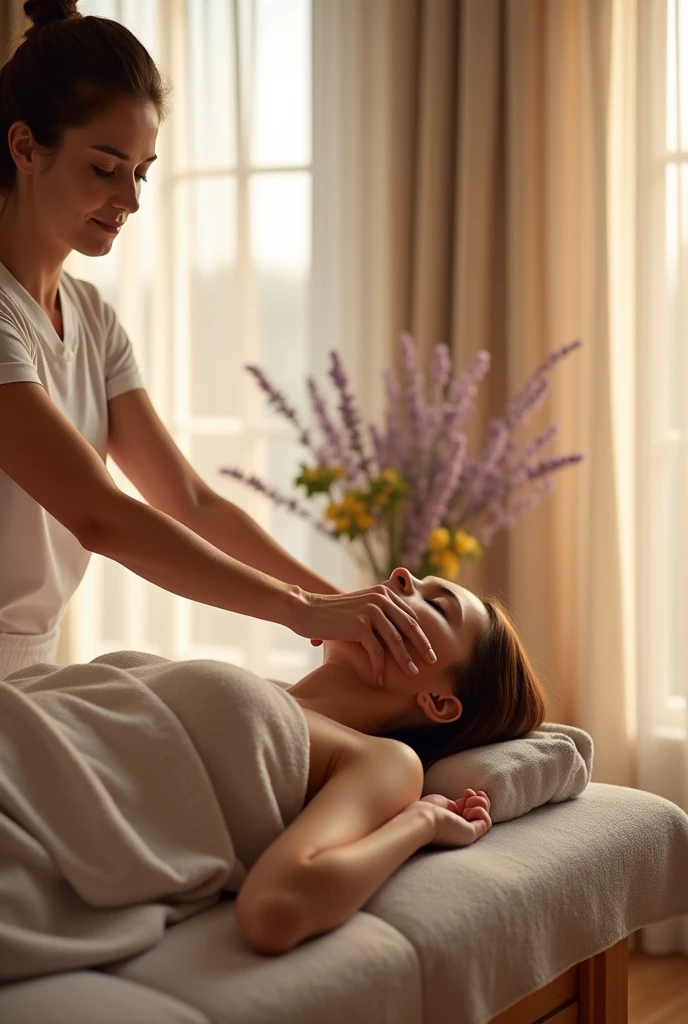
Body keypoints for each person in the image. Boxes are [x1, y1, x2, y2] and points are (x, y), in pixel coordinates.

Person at [0, 0, 436, 682]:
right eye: (106, 167)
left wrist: (336, 603)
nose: (132, 200)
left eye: (140, 172)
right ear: (26, 147)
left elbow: (189, 500)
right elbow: (101, 516)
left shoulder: (90, 316)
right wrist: (301, 610)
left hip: (30, 679)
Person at [237, 567, 548, 954]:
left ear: (437, 701)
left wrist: (423, 820)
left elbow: (275, 912)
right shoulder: (257, 689)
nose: (402, 575)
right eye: (418, 580)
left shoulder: (384, 761)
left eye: (435, 605)